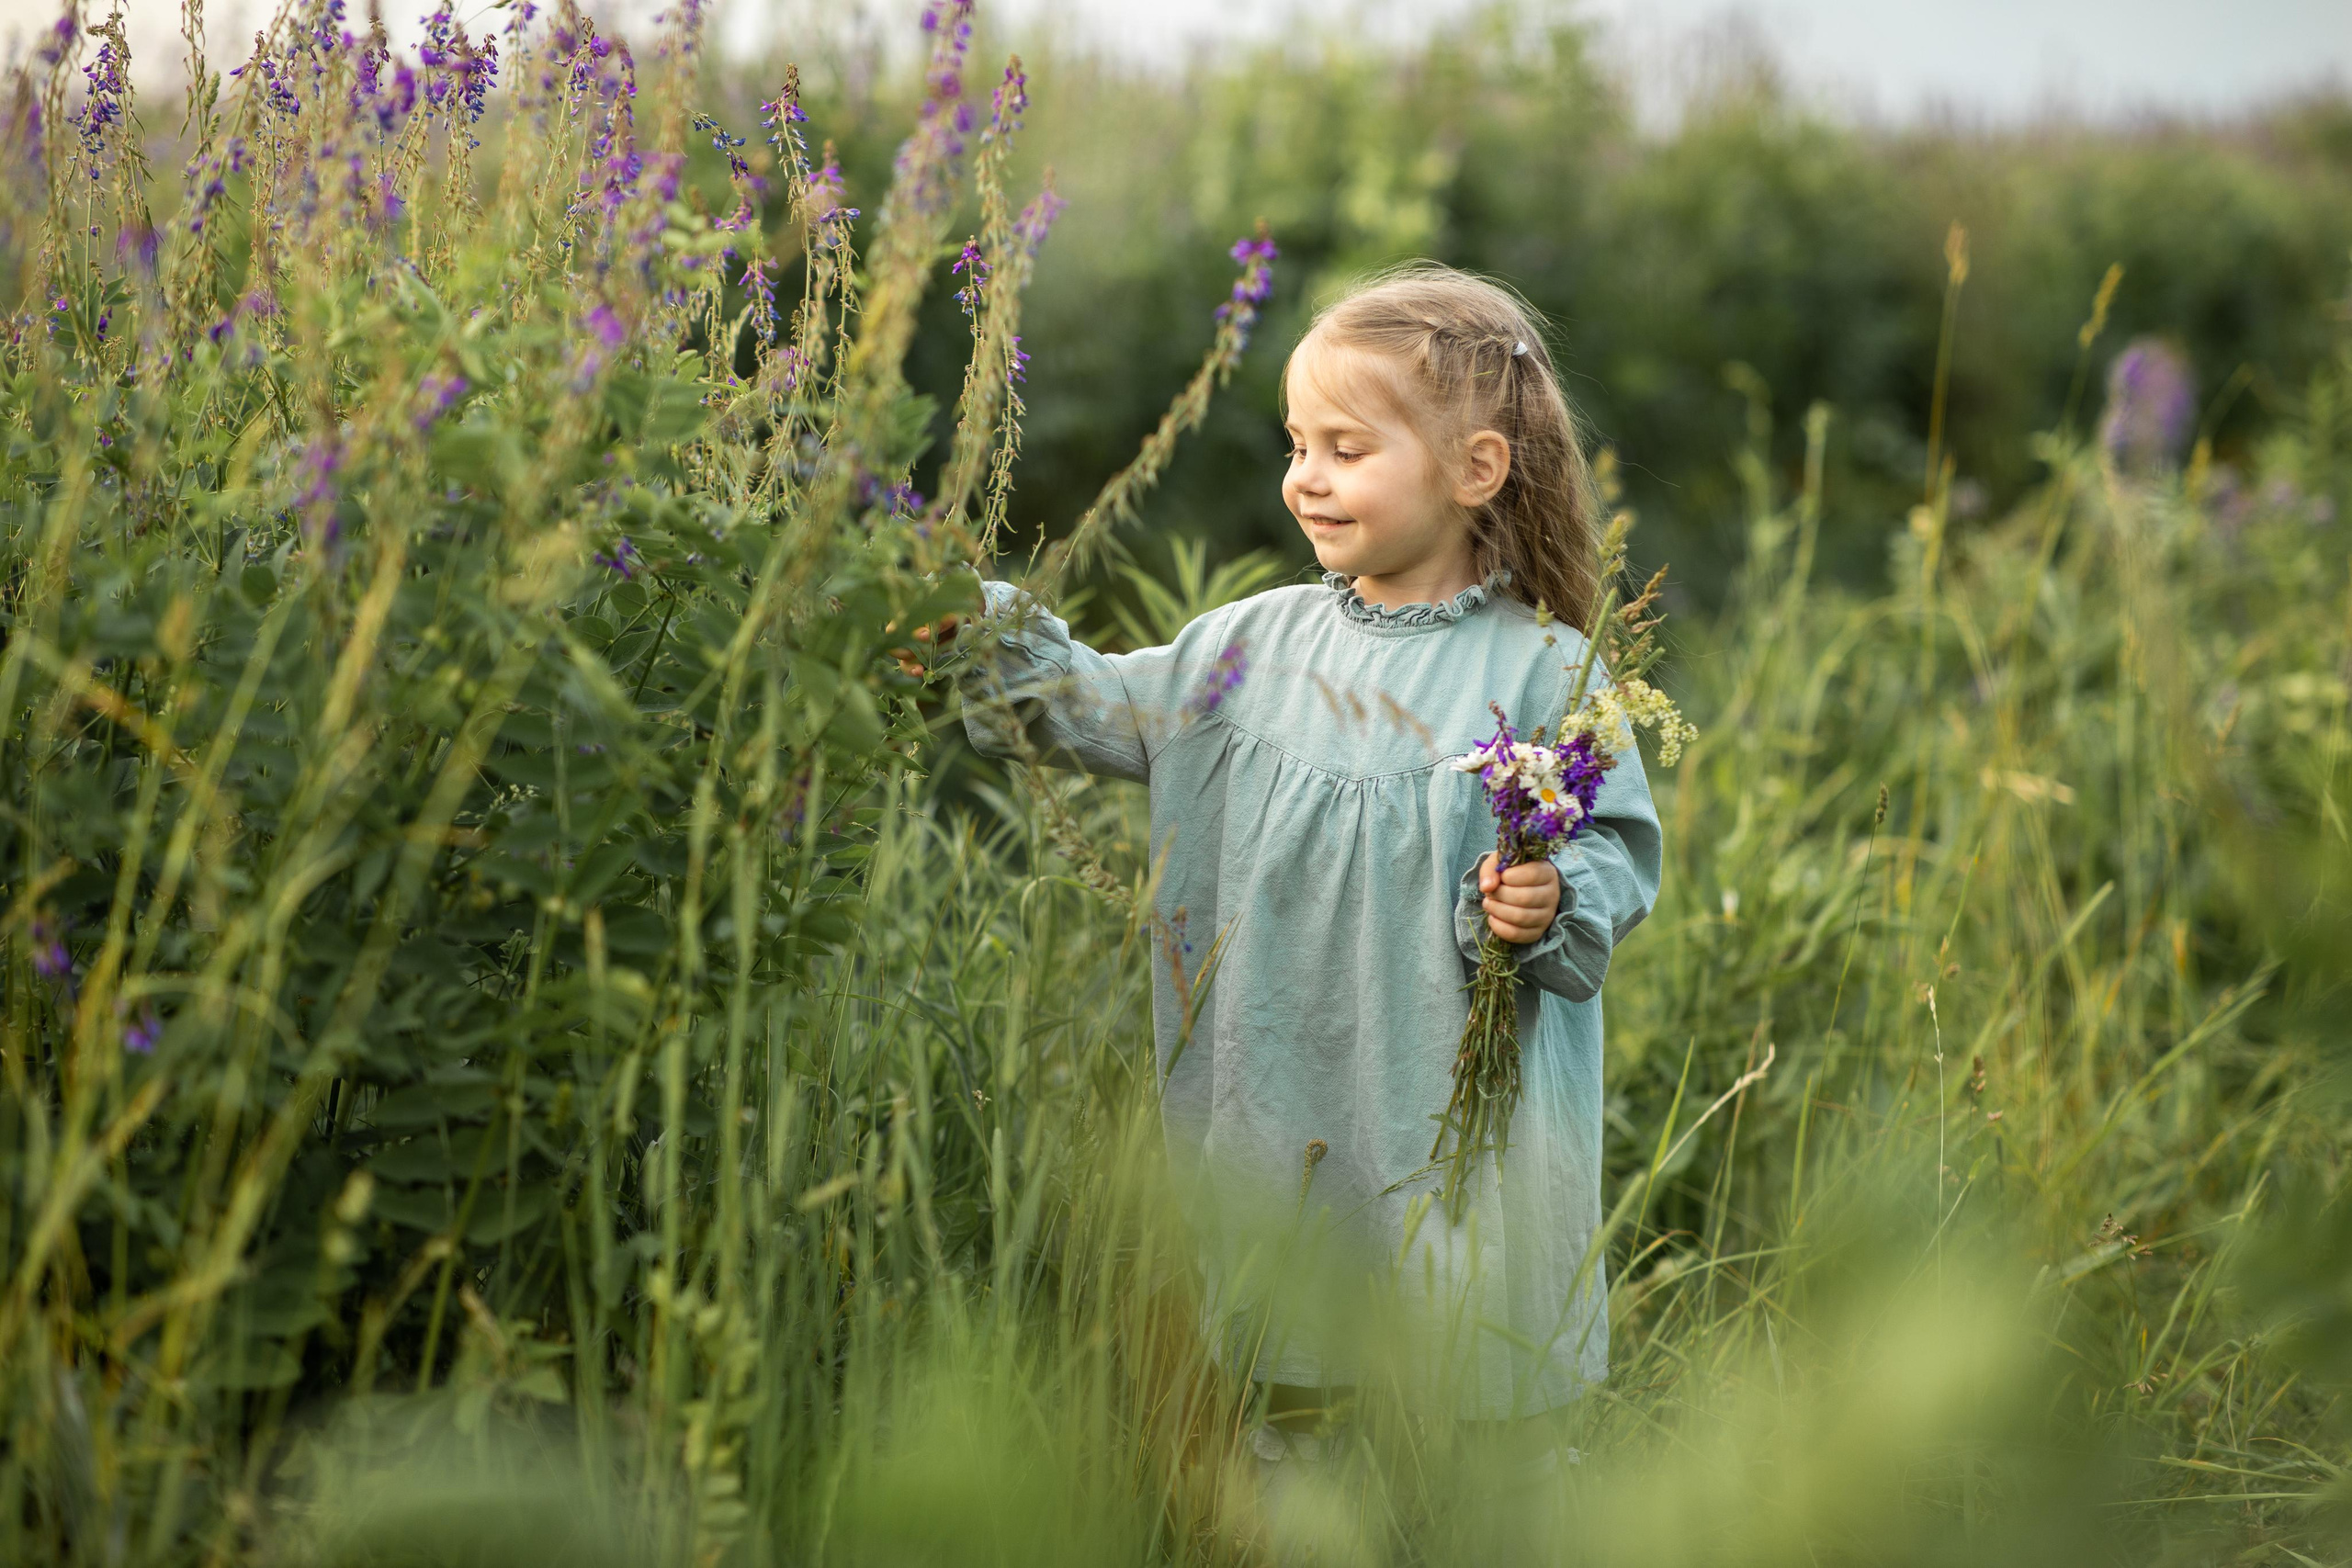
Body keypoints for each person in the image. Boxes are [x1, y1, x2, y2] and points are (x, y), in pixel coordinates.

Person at [926, 263, 1661, 1472]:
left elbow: (1614, 857)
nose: (1305, 477)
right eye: (1296, 443)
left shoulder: (1547, 672)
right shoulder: (1252, 647)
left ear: (1476, 469)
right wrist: (971, 620)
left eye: (1346, 447)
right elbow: (1103, 704)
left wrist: (1548, 897)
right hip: (1293, 1120)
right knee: (1298, 1433)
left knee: (1482, 1442)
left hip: (1461, 1127)